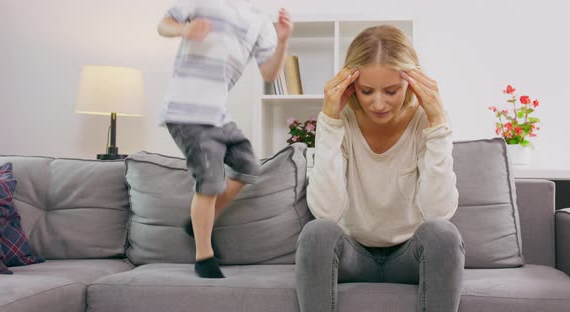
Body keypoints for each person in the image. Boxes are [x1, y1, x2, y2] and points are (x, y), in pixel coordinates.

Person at [295, 25, 464, 312]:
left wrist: (437, 124)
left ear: (410, 82)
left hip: (409, 257)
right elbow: (327, 213)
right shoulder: (342, 120)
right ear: (351, 86)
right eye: (366, 91)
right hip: (353, 255)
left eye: (391, 90)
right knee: (316, 232)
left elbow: (438, 213)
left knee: (444, 235)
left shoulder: (425, 120)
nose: (378, 103)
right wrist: (329, 122)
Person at [157, 0, 293, 278]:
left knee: (248, 166)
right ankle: (203, 257)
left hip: (218, 114)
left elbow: (270, 73)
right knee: (209, 181)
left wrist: (282, 42)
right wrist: (185, 30)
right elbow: (163, 25)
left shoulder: (260, 21)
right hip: (186, 110)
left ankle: (198, 222)